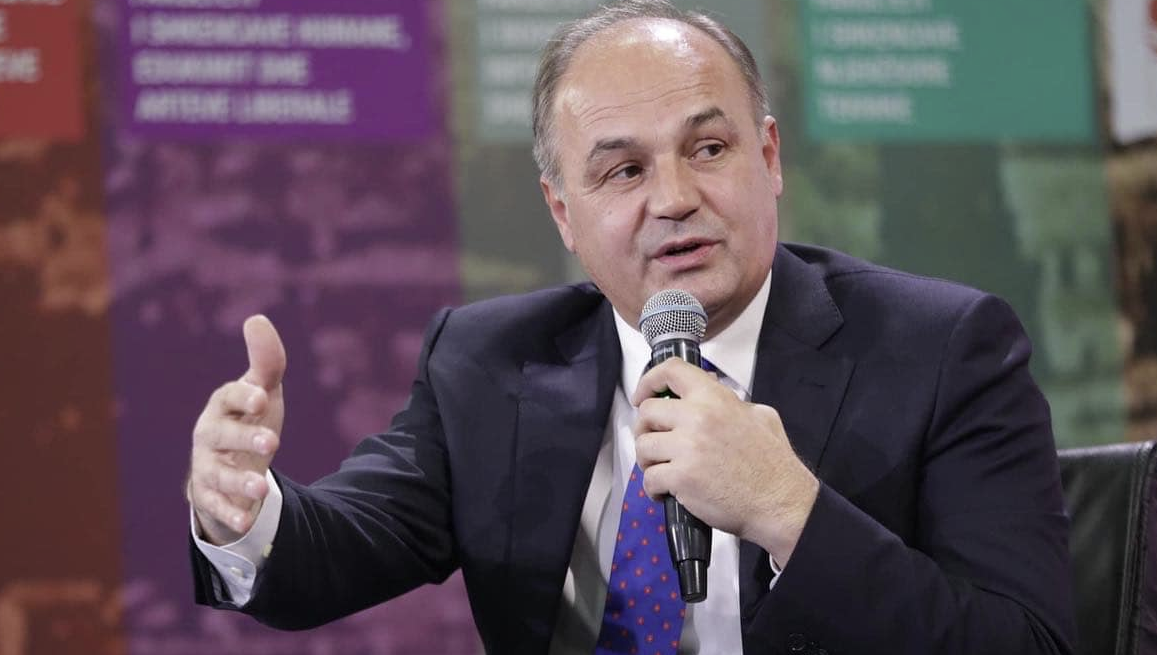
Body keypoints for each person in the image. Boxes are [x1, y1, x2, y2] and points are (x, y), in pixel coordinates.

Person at [187, 1, 1076, 653]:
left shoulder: (943, 348)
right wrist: (242, 510)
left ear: (769, 158)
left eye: (708, 149)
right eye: (623, 171)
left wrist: (787, 511)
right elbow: (334, 553)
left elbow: (1025, 642)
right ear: (562, 212)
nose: (675, 198)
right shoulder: (488, 362)